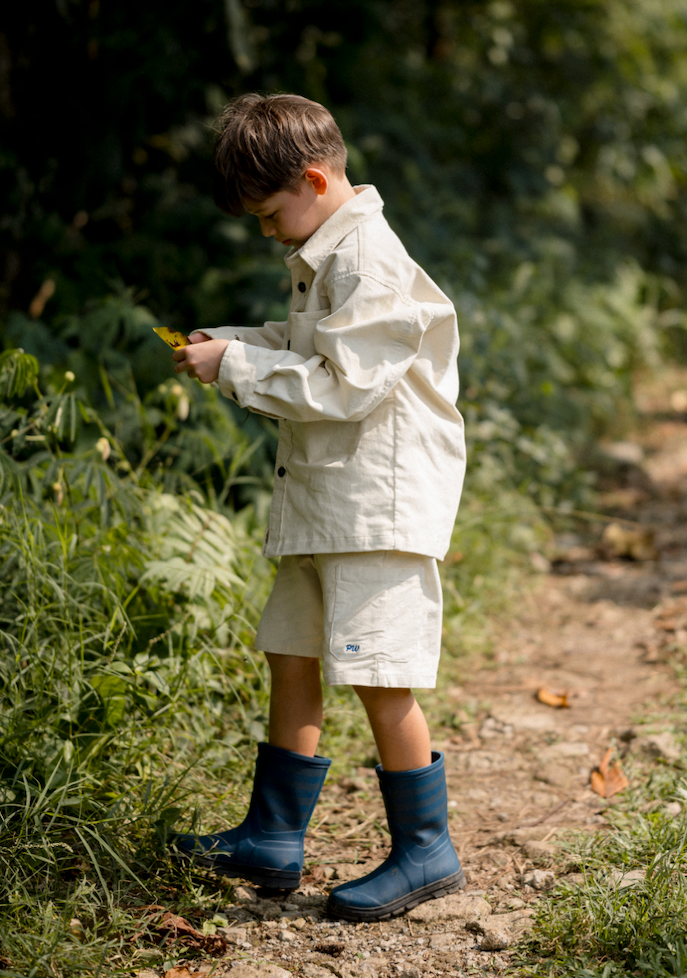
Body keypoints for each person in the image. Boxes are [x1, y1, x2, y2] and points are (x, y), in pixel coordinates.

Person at [170, 93, 467, 922]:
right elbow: (313, 348)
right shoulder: (327, 252)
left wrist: (234, 367)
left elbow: (341, 385)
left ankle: (424, 849)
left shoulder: (365, 259)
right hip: (327, 499)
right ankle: (273, 834)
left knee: (379, 672)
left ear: (310, 178)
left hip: (378, 504)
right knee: (291, 650)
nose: (266, 232)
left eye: (269, 215)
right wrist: (233, 343)